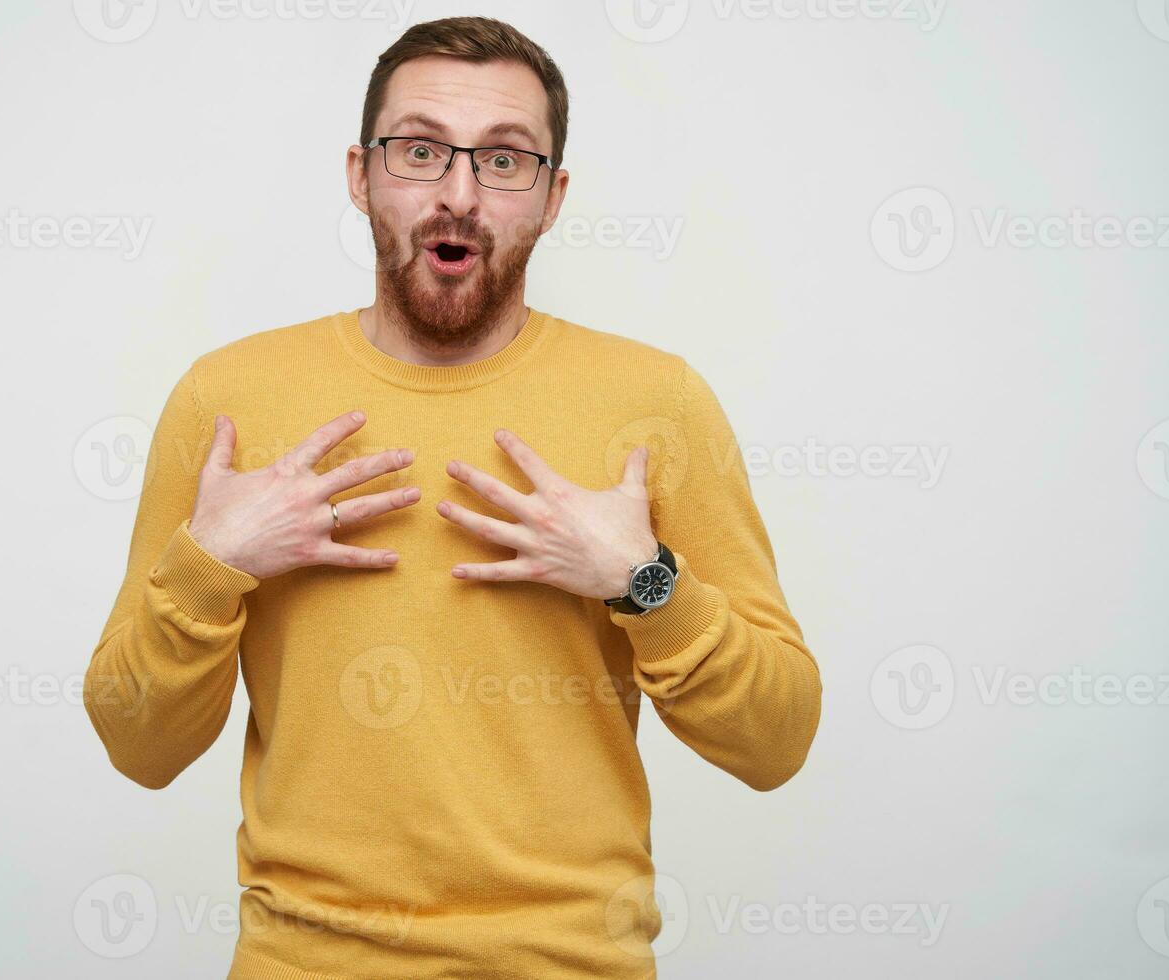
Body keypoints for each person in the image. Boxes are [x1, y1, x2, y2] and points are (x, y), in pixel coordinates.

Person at [83, 15, 822, 979]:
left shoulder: (654, 404)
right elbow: (138, 745)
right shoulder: (227, 401)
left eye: (506, 162)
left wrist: (645, 583)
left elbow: (777, 743)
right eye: (421, 151)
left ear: (554, 197)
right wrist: (208, 570)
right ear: (360, 174)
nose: (459, 195)